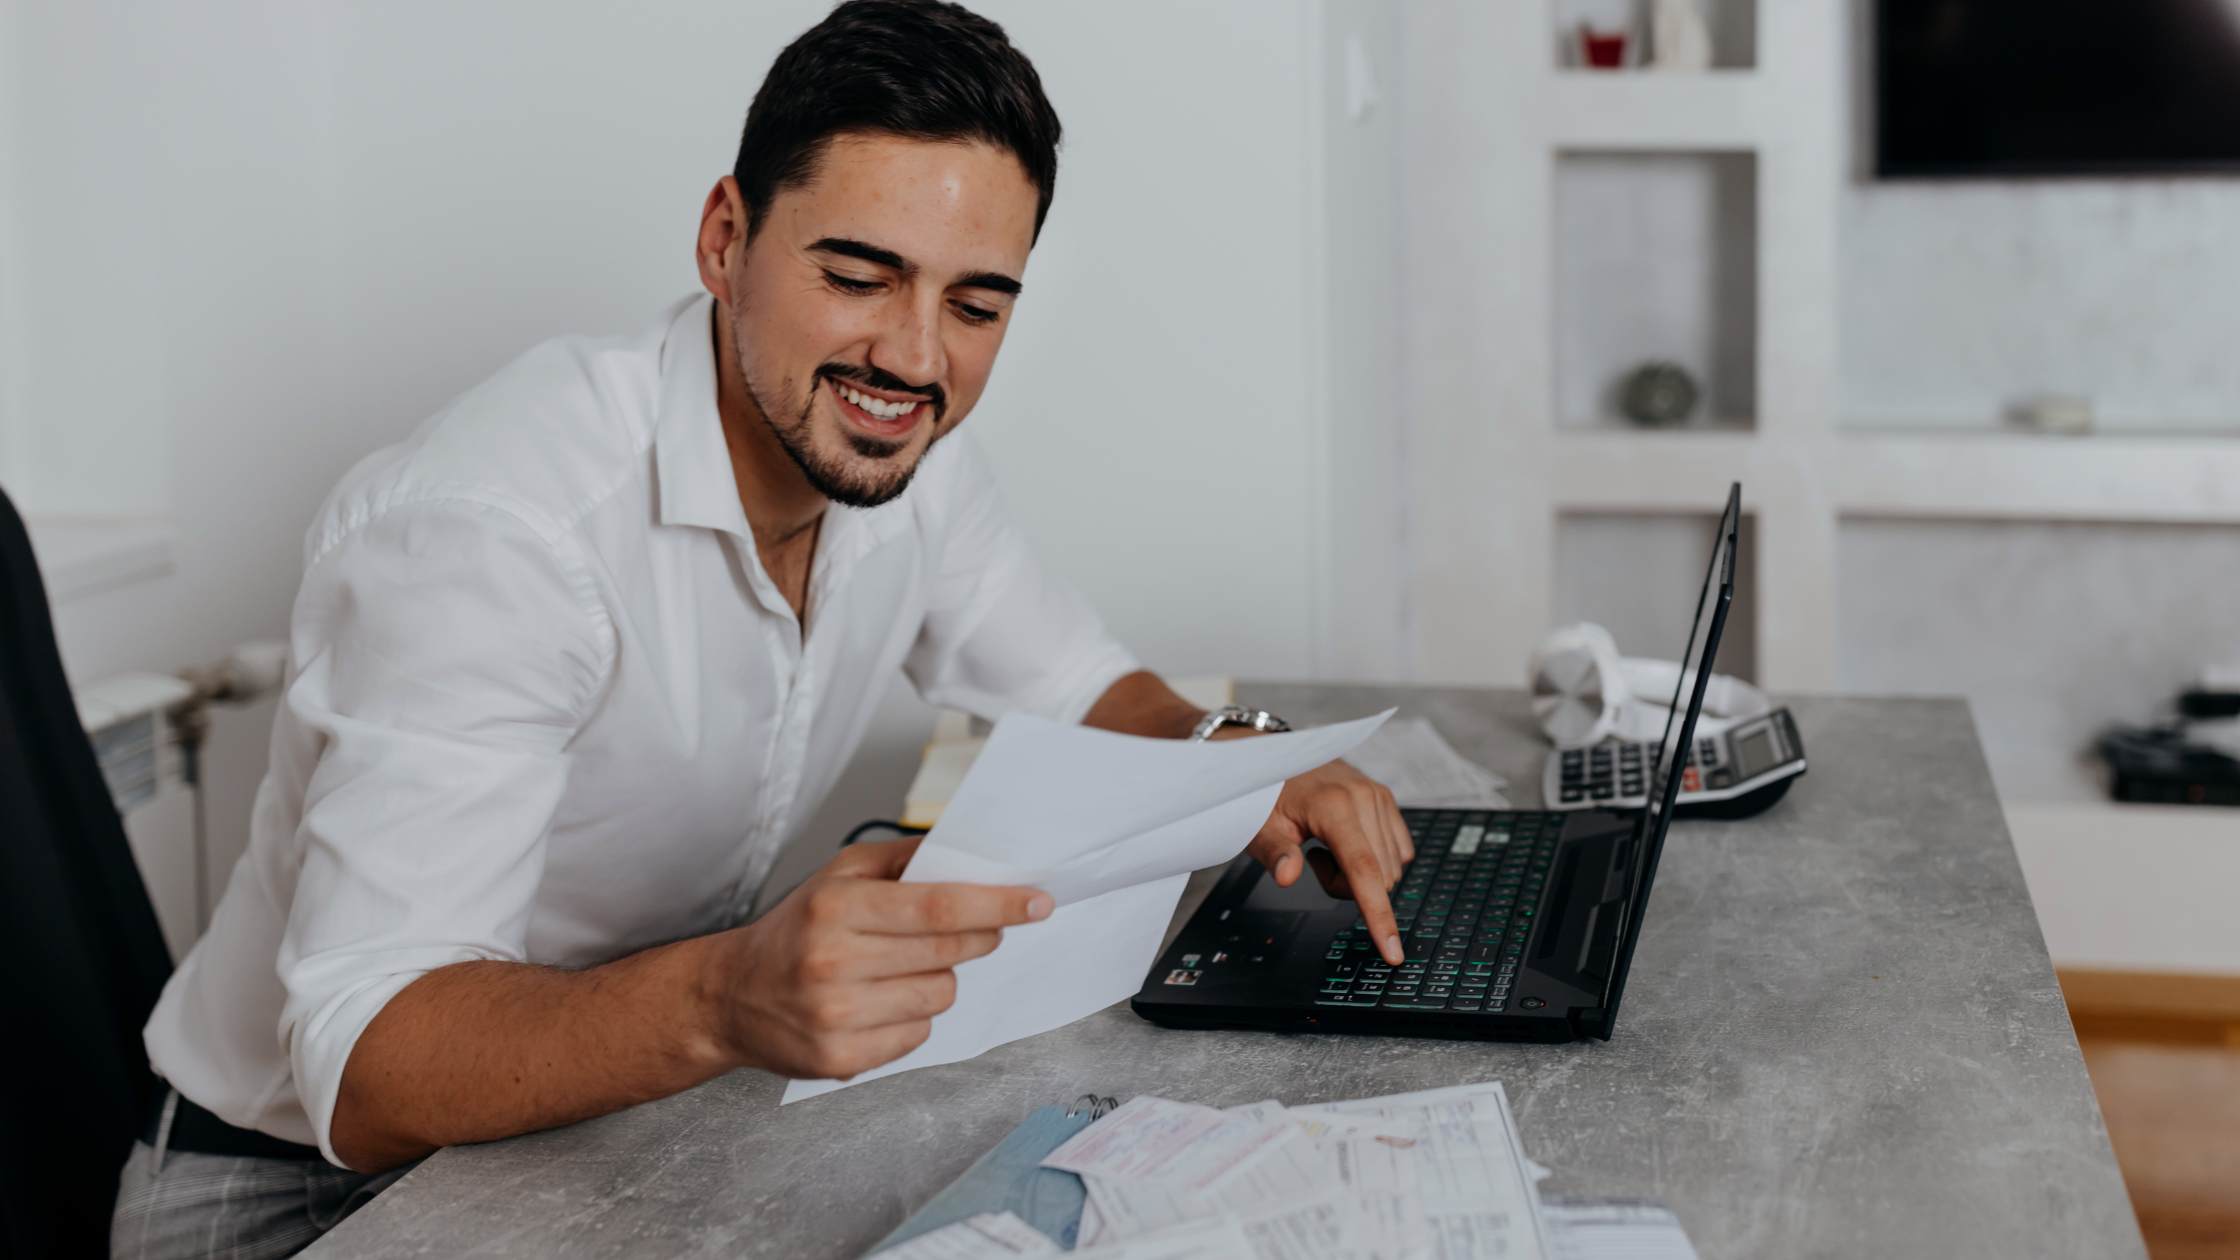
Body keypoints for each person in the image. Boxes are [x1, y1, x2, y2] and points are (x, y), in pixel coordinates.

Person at [112, 3, 1413, 1255]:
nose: (912, 360)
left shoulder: (905, 463)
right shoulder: (491, 532)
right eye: (860, 275)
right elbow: (366, 1062)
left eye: (975, 305)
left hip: (593, 1133)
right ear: (724, 238)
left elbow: (1077, 681)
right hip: (295, 1202)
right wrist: (732, 994)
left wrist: (1240, 754)